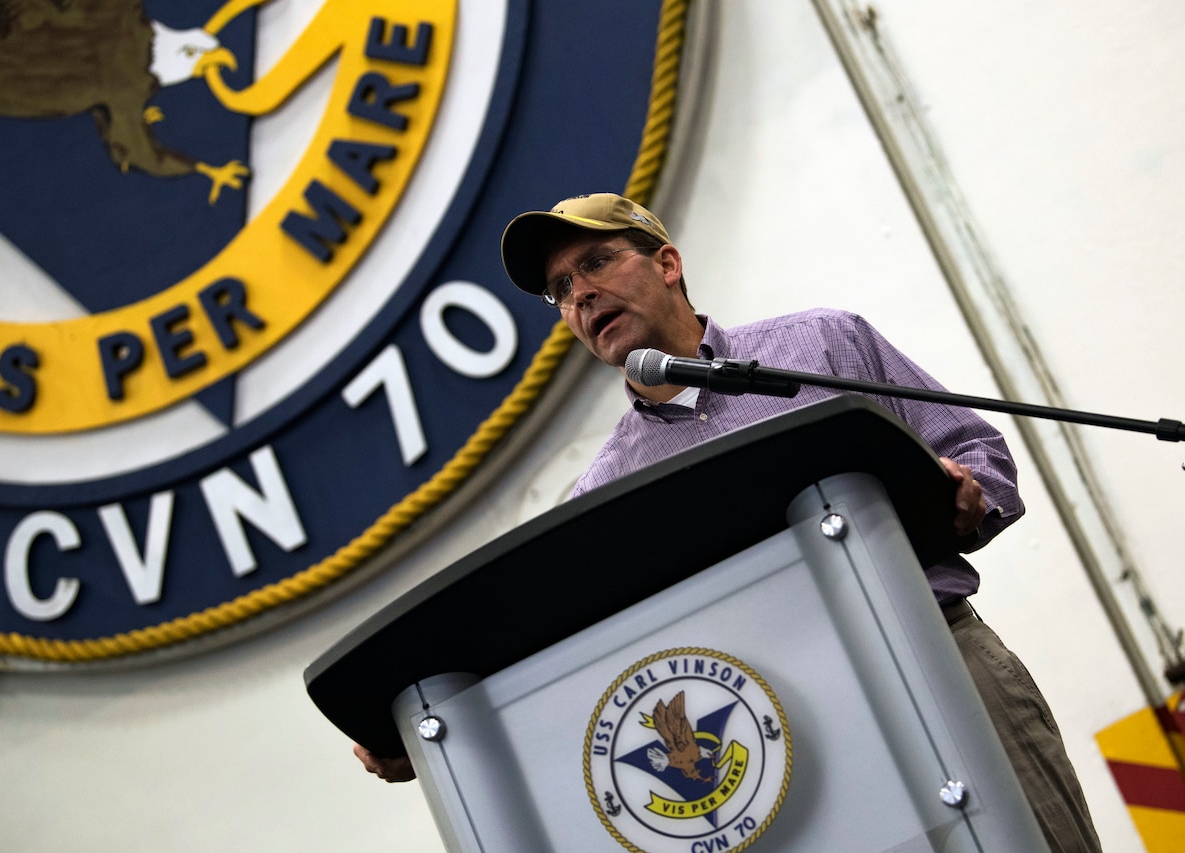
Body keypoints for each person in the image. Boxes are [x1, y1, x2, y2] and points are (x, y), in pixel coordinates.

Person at [356, 192, 1101, 852]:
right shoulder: (602, 493)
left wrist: (966, 498)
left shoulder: (821, 345)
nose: (579, 294)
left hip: (941, 655)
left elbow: (974, 450)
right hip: (784, 739)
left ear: (668, 262)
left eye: (596, 262)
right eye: (559, 290)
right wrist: (430, 739)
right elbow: (575, 667)